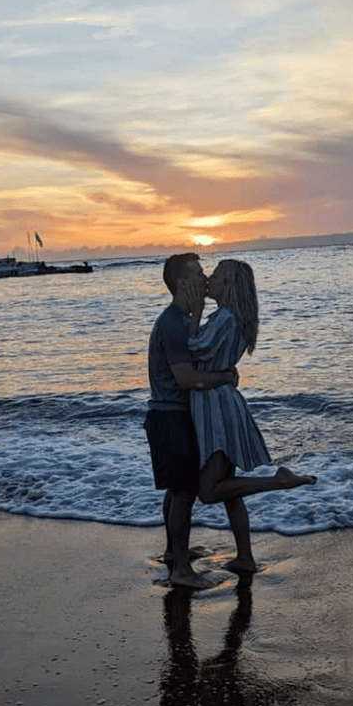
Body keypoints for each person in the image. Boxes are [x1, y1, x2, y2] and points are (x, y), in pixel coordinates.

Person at [181, 258, 316, 582]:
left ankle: (278, 481)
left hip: (216, 408)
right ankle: (245, 557)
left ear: (231, 286)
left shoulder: (226, 317)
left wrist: (194, 309)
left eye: (218, 275)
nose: (210, 278)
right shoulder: (230, 317)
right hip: (221, 401)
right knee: (231, 491)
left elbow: (193, 347)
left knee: (210, 491)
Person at [144, 252, 251, 588]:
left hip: (172, 414)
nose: (205, 278)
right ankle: (181, 571)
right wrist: (226, 375)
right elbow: (189, 379)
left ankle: (175, 554)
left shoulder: (181, 320)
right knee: (184, 492)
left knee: (178, 491)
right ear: (183, 283)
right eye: (199, 273)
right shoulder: (174, 323)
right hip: (171, 416)